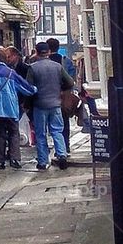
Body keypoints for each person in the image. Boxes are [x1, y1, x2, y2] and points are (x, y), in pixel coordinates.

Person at [0, 46, 36, 169]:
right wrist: (35, 89)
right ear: (5, 58)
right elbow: (26, 88)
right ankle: (15, 159)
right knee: (13, 134)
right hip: (11, 109)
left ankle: (0, 162)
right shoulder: (11, 73)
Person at [26, 40, 74, 170]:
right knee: (57, 131)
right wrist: (60, 88)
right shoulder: (57, 67)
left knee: (41, 134)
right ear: (48, 52)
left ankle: (42, 162)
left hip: (39, 105)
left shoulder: (33, 67)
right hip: (55, 104)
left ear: (36, 52)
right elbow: (70, 82)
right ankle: (62, 155)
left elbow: (28, 88)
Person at [47, 37, 77, 154]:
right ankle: (66, 146)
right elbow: (71, 80)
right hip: (64, 96)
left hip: (49, 96)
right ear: (58, 47)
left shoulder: (44, 61)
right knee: (64, 122)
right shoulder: (66, 61)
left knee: (52, 124)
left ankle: (57, 148)